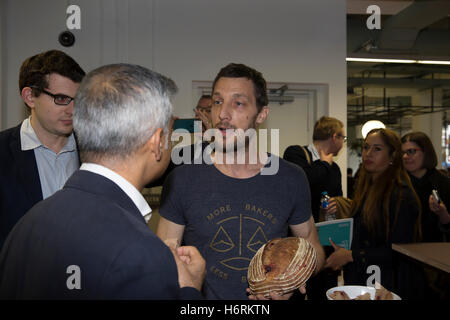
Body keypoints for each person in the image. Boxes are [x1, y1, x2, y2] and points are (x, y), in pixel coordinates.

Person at [0, 64, 205, 299]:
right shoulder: (142, 253)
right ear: (157, 142)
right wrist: (189, 290)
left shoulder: (28, 225)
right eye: (170, 131)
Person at [156, 63, 325, 300]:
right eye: (217, 102)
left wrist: (293, 279)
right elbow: (164, 257)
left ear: (262, 114)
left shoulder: (291, 178)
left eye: (238, 103)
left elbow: (312, 246)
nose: (223, 114)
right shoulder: (182, 180)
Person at [0, 50, 85, 250]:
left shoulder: (96, 150)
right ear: (30, 97)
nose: (72, 110)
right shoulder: (3, 153)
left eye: (78, 100)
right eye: (62, 99)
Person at [325, 128, 422, 299]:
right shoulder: (366, 189)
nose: (368, 153)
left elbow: (400, 250)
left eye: (377, 149)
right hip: (364, 280)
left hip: (389, 284)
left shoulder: (401, 196)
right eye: (366, 147)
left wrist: (350, 255)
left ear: (392, 156)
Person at [283, 116, 345, 222]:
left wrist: (336, 204)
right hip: (298, 228)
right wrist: (324, 163)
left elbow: (338, 197)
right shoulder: (295, 153)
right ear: (335, 138)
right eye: (343, 138)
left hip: (325, 228)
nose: (343, 143)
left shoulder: (334, 168)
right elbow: (305, 181)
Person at [401, 131, 450, 242]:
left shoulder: (444, 185)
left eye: (411, 151)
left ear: (426, 152)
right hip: (401, 251)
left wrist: (442, 214)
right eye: (402, 152)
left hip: (434, 250)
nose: (405, 156)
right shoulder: (396, 184)